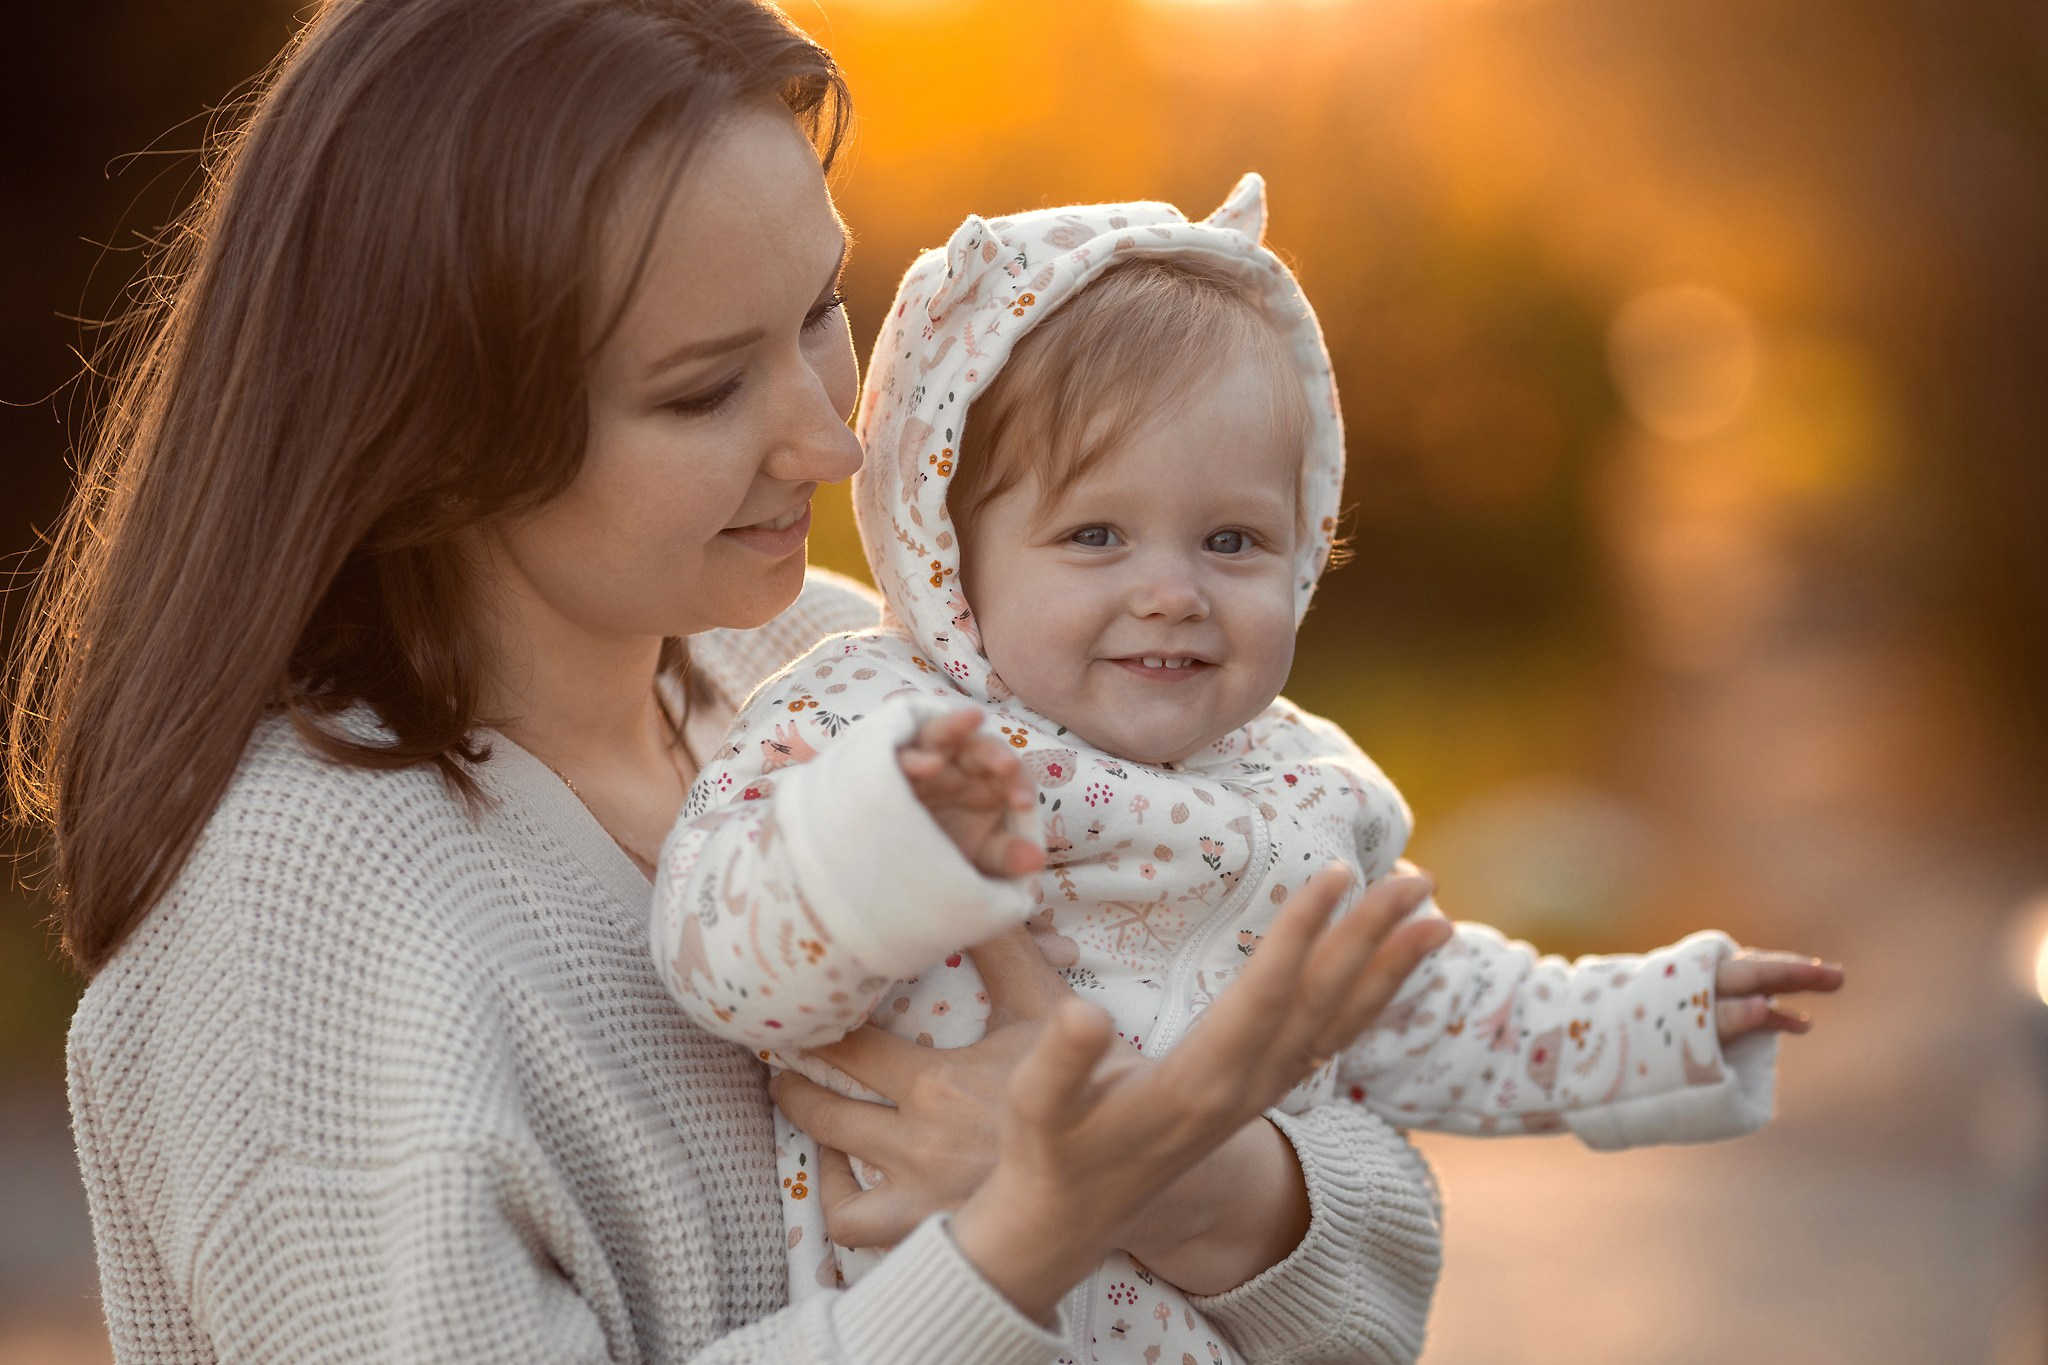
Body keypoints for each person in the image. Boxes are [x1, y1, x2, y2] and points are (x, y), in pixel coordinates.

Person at [5, 1, 1462, 1360]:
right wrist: (1024, 1239)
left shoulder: (851, 674)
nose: (833, 441)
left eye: (821, 310)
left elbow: (1375, 1267)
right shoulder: (294, 926)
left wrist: (1185, 1178)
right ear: (434, 435)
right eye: (704, 388)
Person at [649, 177, 1846, 1362]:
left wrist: (1656, 1018)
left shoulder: (1299, 789)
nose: (1172, 591)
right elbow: (721, 961)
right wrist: (884, 846)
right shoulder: (864, 725)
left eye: (1232, 540)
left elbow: (1427, 1001)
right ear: (944, 551)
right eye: (1095, 535)